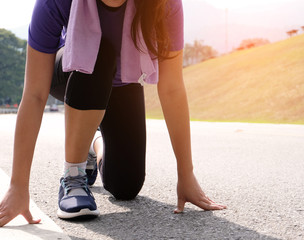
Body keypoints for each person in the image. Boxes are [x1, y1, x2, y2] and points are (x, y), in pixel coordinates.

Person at [0, 0, 226, 226]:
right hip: (73, 72)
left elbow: (172, 88)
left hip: (122, 83)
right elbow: (34, 94)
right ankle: (74, 176)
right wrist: (18, 187)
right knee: (97, 52)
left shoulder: (164, 4)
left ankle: (92, 142)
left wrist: (186, 174)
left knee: (126, 186)